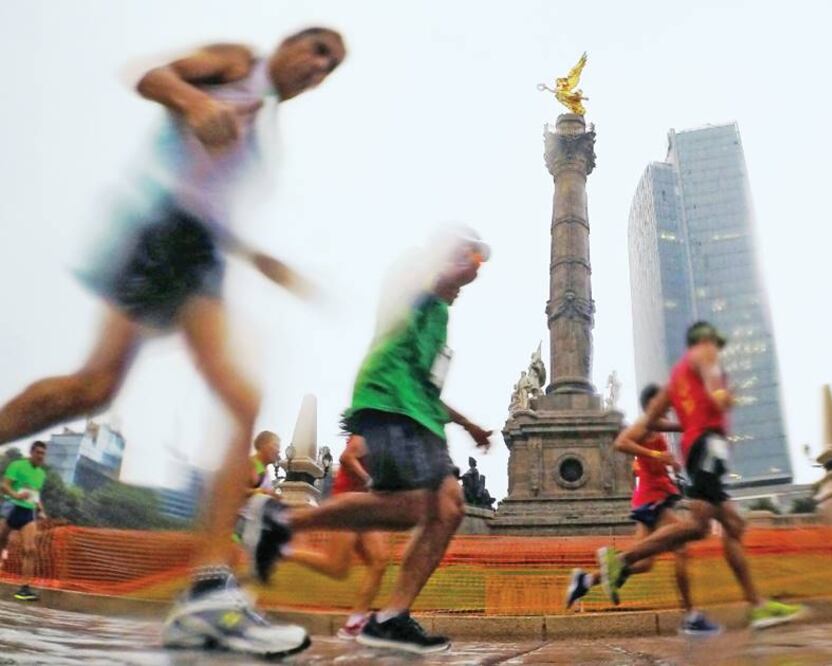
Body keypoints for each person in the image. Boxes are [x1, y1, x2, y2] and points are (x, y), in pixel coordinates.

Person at [0, 28, 346, 658]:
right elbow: (148, 76)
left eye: (332, 68)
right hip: (167, 238)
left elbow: (213, 202)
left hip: (200, 252)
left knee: (234, 397)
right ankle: (210, 595)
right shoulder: (241, 63)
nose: (320, 69)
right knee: (91, 388)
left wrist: (259, 258)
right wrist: (195, 103)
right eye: (319, 50)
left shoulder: (264, 123)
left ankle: (210, 592)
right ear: (291, 43)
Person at [241, 228, 493, 654]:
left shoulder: (440, 316)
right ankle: (281, 522)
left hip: (421, 416)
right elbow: (419, 282)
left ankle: (392, 616)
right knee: (417, 506)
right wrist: (455, 265)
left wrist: (467, 424)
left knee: (448, 508)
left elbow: (428, 384)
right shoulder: (413, 269)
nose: (471, 277)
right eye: (471, 260)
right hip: (389, 402)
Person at [594, 322, 804, 630]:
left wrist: (683, 427)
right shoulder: (702, 355)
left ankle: (756, 604)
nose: (714, 350)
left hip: (702, 447)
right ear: (703, 342)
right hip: (707, 445)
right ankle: (621, 562)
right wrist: (721, 395)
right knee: (696, 526)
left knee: (734, 524)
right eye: (712, 344)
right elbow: (714, 388)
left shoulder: (672, 385)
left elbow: (642, 427)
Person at [565, 384, 719, 635]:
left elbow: (681, 425)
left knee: (645, 562)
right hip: (653, 498)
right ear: (653, 405)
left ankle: (586, 580)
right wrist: (658, 455)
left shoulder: (655, 424)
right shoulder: (646, 424)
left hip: (652, 498)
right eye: (664, 404)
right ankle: (691, 616)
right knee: (681, 547)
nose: (668, 408)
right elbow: (621, 443)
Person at [279, 434, 391, 639]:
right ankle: (282, 550)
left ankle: (354, 623)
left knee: (379, 561)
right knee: (337, 567)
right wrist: (370, 480)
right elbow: (346, 457)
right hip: (347, 503)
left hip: (366, 505)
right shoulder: (368, 432)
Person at [0, 441, 48, 602]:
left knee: (30, 549)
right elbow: (4, 486)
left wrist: (40, 509)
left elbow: (35, 494)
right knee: (1, 542)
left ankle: (24, 589)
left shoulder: (41, 474)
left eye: (43, 454)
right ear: (32, 453)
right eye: (38, 453)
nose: (41, 456)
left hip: (27, 512)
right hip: (10, 507)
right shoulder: (17, 465)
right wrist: (15, 495)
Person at [249, 431, 281, 495]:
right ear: (262, 444)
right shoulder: (251, 464)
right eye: (275, 445)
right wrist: (260, 492)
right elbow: (234, 490)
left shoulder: (262, 468)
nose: (278, 451)